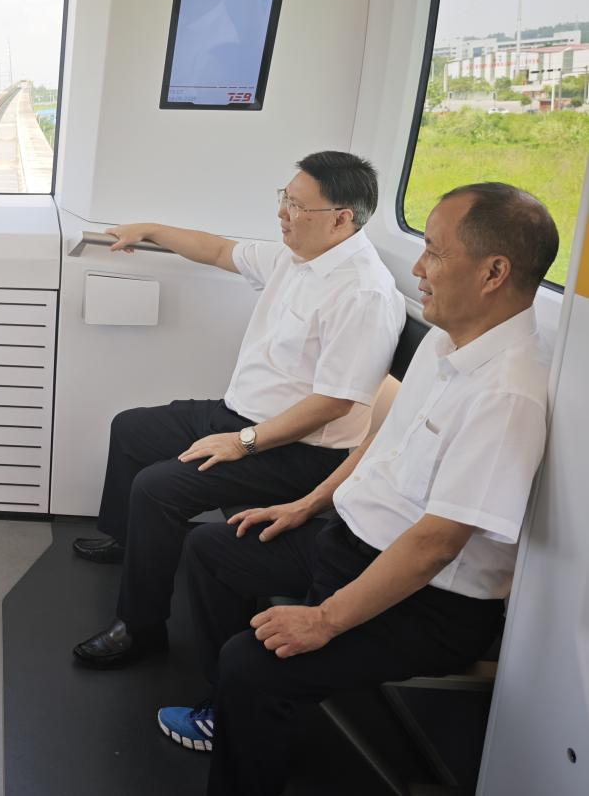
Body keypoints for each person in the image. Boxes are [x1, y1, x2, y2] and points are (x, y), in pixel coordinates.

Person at [158, 183, 557, 796]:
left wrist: (323, 620)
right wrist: (305, 505)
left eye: (435, 253)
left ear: (493, 272)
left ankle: (249, 712)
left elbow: (436, 544)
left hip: (429, 603)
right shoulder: (447, 342)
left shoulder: (507, 393)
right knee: (213, 549)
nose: (418, 269)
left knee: (251, 663)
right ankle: (233, 715)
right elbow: (378, 444)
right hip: (352, 541)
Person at [72, 151, 405, 667]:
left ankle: (140, 630)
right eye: (285, 198)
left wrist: (243, 443)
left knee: (157, 488)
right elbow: (217, 249)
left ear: (341, 219)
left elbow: (335, 402)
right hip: (239, 415)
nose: (283, 213)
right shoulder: (297, 256)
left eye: (297, 206)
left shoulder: (364, 293)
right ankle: (128, 541)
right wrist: (149, 229)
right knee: (132, 429)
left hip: (297, 450)